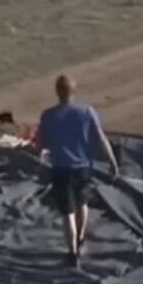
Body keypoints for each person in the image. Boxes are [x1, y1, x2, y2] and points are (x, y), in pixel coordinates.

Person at [35, 74, 120, 267]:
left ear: (57, 92)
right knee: (82, 204)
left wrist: (40, 158)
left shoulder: (48, 115)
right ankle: (81, 237)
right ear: (74, 91)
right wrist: (112, 162)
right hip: (83, 168)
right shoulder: (87, 112)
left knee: (68, 213)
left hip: (61, 169)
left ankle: (72, 251)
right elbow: (101, 139)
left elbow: (40, 142)